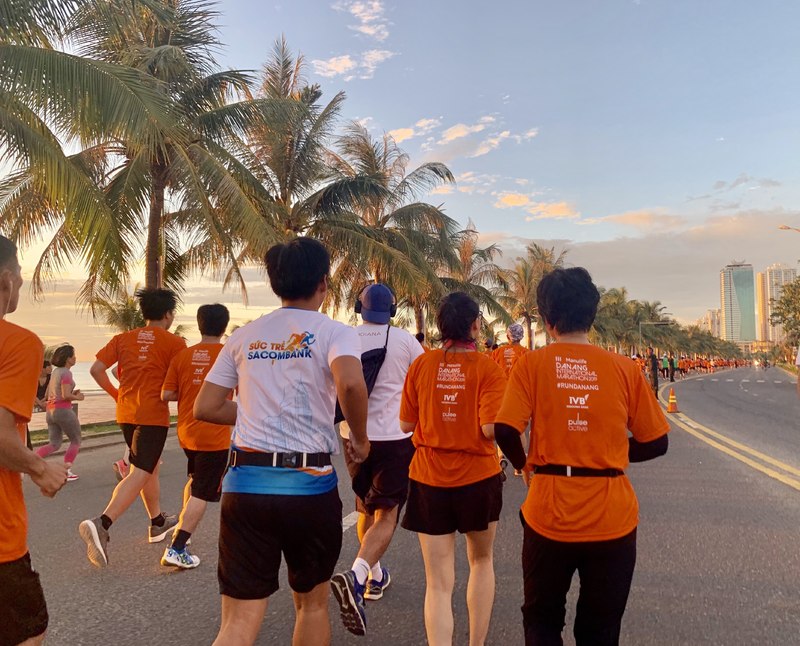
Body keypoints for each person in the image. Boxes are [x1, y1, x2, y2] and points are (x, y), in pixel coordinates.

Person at [193, 237, 370, 646]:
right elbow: (350, 384)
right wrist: (360, 440)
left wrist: (258, 413)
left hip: (245, 487)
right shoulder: (335, 332)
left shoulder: (244, 336)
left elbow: (206, 406)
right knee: (312, 606)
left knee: (237, 621)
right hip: (310, 487)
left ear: (275, 283)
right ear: (323, 283)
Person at [494, 267, 670, 646]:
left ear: (547, 319)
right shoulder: (625, 368)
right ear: (592, 315)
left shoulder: (532, 365)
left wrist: (524, 465)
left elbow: (506, 430)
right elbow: (657, 442)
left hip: (549, 511)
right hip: (612, 517)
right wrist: (612, 451)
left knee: (541, 622)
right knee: (600, 630)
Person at [399, 292, 507, 646]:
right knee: (481, 562)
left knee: (438, 583)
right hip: (478, 478)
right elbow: (490, 429)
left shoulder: (422, 365)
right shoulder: (488, 368)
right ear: (475, 325)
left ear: (440, 325)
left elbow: (405, 424)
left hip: (429, 478)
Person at [332, 283, 423, 633]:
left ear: (359, 308)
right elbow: (421, 381)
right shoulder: (405, 341)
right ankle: (357, 576)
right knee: (386, 514)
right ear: (392, 311)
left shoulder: (344, 338)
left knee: (365, 507)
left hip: (353, 436)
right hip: (394, 438)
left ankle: (375, 574)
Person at [79, 288, 186, 567]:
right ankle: (102, 523)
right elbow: (181, 380)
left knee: (149, 467)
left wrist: (117, 394)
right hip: (152, 415)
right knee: (140, 471)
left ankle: (157, 521)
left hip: (125, 412)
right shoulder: (175, 343)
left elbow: (97, 370)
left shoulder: (123, 339)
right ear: (168, 314)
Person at [0, 234, 69, 646]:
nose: (23, 282)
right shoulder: (18, 342)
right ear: (6, 280)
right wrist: (40, 468)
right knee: (29, 632)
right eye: (21, 274)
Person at [159, 303, 231, 569]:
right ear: (224, 326)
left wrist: (191, 389)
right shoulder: (228, 355)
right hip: (215, 435)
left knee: (195, 480)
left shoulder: (183, 356)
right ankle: (177, 548)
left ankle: (183, 531)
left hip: (187, 432)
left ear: (200, 325)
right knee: (202, 492)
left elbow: (167, 394)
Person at [35, 344, 84, 481]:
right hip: (63, 410)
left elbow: (49, 394)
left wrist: (71, 393)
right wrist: (78, 397)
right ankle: (66, 471)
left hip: (50, 411)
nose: (75, 358)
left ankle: (32, 463)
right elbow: (65, 395)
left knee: (54, 444)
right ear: (68, 358)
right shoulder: (66, 373)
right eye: (73, 355)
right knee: (76, 440)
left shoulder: (55, 373)